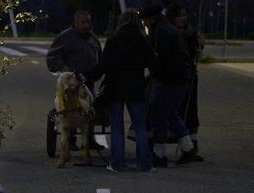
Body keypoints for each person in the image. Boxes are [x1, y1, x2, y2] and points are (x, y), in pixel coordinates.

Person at [91, 9, 155, 172]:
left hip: (116, 88)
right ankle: (145, 164)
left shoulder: (114, 40)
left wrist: (87, 75)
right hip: (135, 88)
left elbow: (104, 65)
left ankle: (118, 163)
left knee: (117, 127)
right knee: (140, 127)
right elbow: (154, 63)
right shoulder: (143, 40)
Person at [143, 2, 198, 167]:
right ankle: (188, 147)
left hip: (169, 79)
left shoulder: (161, 31)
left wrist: (151, 72)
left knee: (159, 113)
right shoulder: (167, 28)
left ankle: (159, 154)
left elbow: (161, 58)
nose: (144, 23)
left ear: (151, 19)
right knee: (171, 112)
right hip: (181, 77)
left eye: (145, 20)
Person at [47, 10, 103, 151]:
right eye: (83, 22)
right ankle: (70, 140)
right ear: (75, 22)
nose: (86, 25)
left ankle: (90, 140)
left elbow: (100, 57)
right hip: (70, 84)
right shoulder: (65, 37)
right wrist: (65, 69)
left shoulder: (93, 38)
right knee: (70, 110)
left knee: (88, 110)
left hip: (88, 81)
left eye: (88, 22)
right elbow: (52, 58)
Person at [173, 1, 205, 161]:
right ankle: (184, 144)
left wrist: (200, 46)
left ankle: (193, 146)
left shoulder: (191, 34)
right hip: (176, 77)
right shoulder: (171, 33)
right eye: (179, 15)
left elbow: (197, 56)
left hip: (190, 77)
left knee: (191, 111)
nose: (183, 18)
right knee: (177, 111)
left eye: (184, 15)